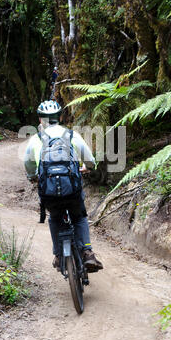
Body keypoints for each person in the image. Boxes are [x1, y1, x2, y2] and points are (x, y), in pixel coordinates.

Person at [23, 100, 103, 273]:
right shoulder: (72, 135)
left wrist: (32, 177)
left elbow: (27, 164)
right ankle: (87, 252)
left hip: (49, 193)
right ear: (60, 117)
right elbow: (89, 159)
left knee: (54, 218)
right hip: (72, 191)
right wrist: (88, 167)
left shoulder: (36, 140)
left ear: (40, 120)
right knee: (79, 216)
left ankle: (59, 255)